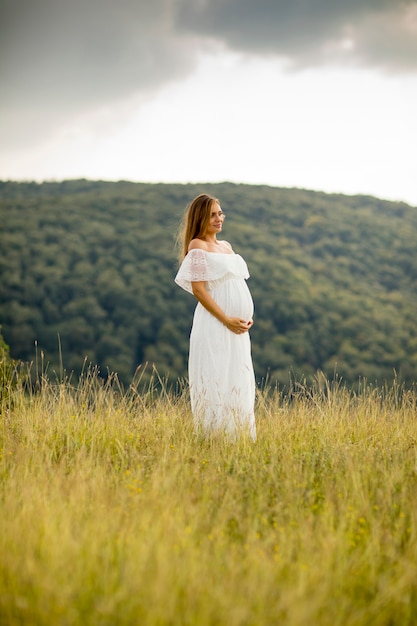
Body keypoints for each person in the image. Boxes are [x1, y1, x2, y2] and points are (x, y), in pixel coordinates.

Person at [175, 193, 256, 439]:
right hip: (216, 324)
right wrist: (226, 319)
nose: (219, 218)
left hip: (236, 328)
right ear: (201, 217)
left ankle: (239, 438)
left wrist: (244, 317)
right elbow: (199, 289)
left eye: (220, 213)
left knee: (237, 377)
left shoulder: (227, 246)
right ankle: (214, 439)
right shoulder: (197, 245)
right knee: (216, 376)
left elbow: (236, 284)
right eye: (212, 214)